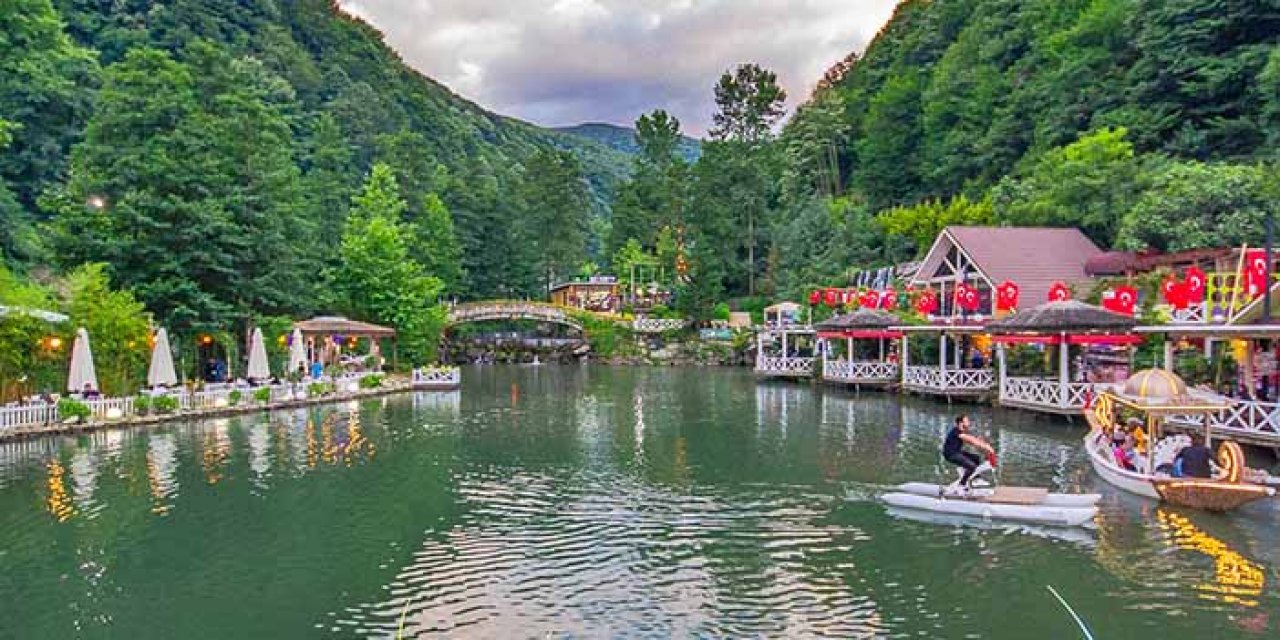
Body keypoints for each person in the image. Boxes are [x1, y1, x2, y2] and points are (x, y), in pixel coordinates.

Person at [943, 414, 984, 487]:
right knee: (972, 467)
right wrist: (979, 443)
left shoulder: (962, 431)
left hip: (957, 452)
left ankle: (975, 478)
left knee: (976, 458)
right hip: (951, 454)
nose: (969, 422)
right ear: (961, 423)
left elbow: (969, 439)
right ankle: (962, 485)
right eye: (967, 421)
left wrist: (978, 441)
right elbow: (969, 439)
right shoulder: (957, 431)